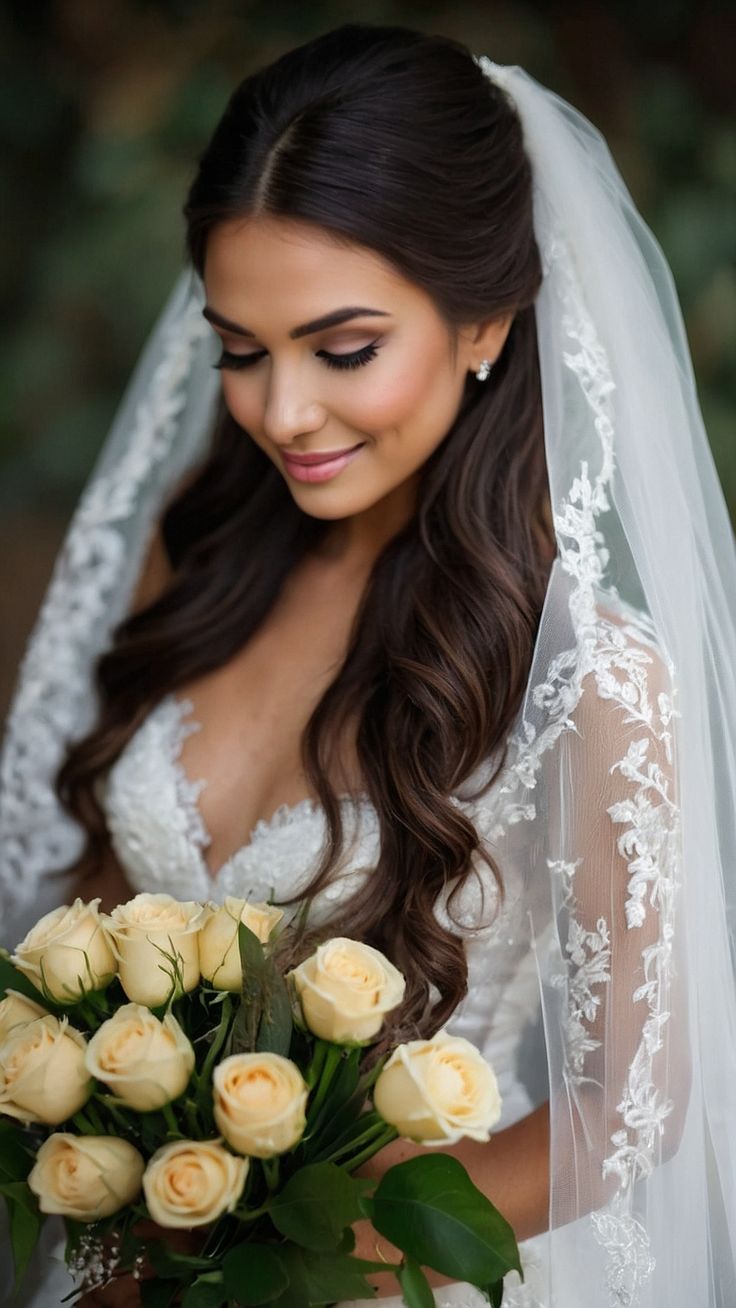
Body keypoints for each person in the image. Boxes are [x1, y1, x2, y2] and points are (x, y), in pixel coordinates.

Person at [1, 21, 735, 1308]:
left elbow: (632, 1102)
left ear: (484, 325)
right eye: (241, 349)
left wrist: (278, 1264)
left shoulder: (585, 677)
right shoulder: (205, 550)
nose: (282, 413)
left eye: (342, 350)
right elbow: (104, 914)